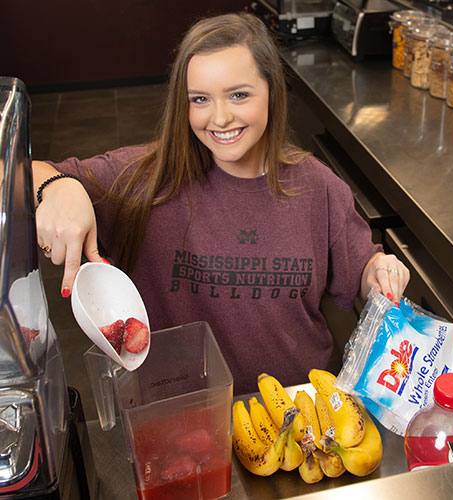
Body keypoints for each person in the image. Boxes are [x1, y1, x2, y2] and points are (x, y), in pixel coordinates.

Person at [33, 12, 410, 395]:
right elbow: (15, 171)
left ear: (273, 91)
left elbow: (360, 271)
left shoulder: (321, 189)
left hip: (297, 416)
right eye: (200, 99)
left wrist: (378, 271)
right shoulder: (142, 180)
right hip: (182, 417)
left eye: (239, 95)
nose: (220, 118)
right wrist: (56, 185)